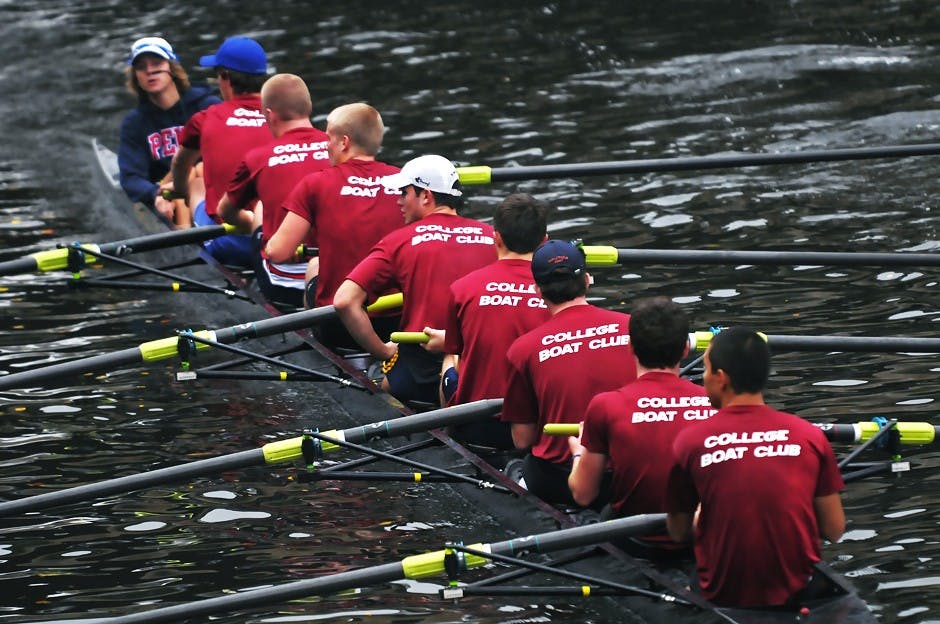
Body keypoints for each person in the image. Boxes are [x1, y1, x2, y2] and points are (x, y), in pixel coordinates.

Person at [666, 327, 845, 608]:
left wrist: (705, 516)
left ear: (721, 378)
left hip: (726, 595)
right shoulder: (809, 435)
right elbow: (834, 529)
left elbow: (678, 533)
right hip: (798, 593)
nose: (702, 377)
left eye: (706, 369)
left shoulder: (690, 441)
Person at [334, 155, 496, 405]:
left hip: (421, 373)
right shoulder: (493, 237)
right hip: (485, 366)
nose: (398, 201)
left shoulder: (398, 240)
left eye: (404, 192)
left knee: (385, 381)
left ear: (426, 196)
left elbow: (344, 301)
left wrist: (382, 350)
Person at [568, 296, 713, 557]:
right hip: (700, 535)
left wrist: (578, 450)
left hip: (637, 541)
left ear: (631, 347)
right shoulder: (715, 404)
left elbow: (583, 495)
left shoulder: (606, 405)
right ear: (684, 350)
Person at [501, 239, 636, 507]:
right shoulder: (633, 326)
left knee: (519, 462)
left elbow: (522, 438)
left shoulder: (522, 349)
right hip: (630, 473)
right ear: (587, 280)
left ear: (538, 290)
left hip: (562, 479)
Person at [422, 193, 550, 449]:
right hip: (542, 425)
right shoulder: (557, 292)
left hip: (479, 424)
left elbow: (457, 346)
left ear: (497, 237)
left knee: (451, 357)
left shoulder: (462, 288)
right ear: (545, 241)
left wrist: (445, 343)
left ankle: (451, 437)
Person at [265, 102, 403, 329]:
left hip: (339, 324)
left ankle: (318, 353)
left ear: (344, 143)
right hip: (399, 320)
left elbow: (278, 253)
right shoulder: (406, 181)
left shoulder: (316, 183)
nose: (326, 145)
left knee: (314, 266)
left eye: (328, 138)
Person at [218, 74, 329, 308]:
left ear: (269, 115)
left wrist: (252, 224)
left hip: (286, 284)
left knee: (260, 207)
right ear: (308, 107)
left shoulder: (257, 158)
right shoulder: (339, 148)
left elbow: (225, 212)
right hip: (343, 277)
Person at [171, 36, 271, 266]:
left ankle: (186, 235)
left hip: (232, 243)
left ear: (225, 77)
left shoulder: (205, 118)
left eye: (217, 75)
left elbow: (179, 165)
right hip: (285, 240)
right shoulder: (282, 117)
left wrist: (177, 192)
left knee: (196, 183)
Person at [118, 36, 219, 224]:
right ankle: (186, 232)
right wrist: (155, 193)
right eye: (141, 67)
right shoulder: (134, 123)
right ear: (135, 76)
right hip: (167, 197)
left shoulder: (207, 106)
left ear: (172, 68)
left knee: (195, 170)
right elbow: (131, 178)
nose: (150, 71)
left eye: (156, 63)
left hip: (211, 186)